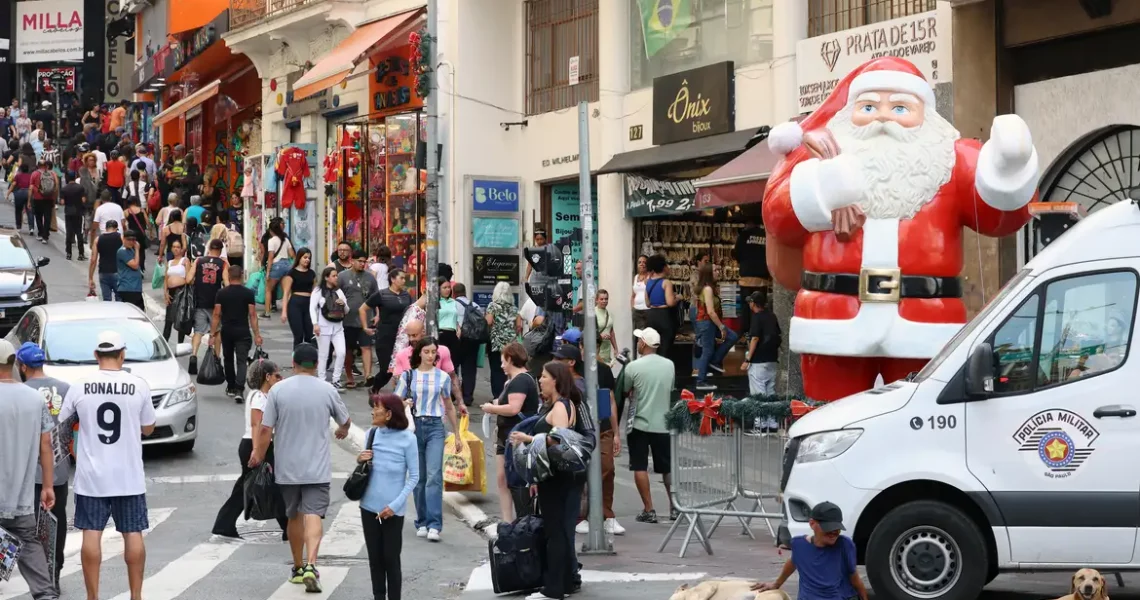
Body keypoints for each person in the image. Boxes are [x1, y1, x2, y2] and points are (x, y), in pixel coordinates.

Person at [57, 331, 156, 600]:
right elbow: (148, 428)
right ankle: (136, 595)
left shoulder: (80, 386)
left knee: (92, 534)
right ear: (122, 354)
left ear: (96, 355)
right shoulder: (138, 385)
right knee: (133, 533)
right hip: (129, 476)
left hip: (91, 477)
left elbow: (62, 422)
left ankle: (93, 596)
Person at [250, 342, 352, 593]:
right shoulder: (327, 390)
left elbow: (265, 429)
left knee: (293, 515)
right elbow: (346, 421)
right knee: (314, 514)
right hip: (316, 467)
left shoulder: (278, 391)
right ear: (317, 364)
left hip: (288, 467)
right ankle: (311, 565)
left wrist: (258, 455)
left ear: (293, 363)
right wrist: (342, 430)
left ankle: (297, 567)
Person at [508, 361, 587, 600]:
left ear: (556, 380)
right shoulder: (561, 404)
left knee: (556, 531)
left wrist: (528, 438)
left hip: (557, 477)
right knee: (559, 530)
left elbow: (559, 441)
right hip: (553, 476)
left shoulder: (562, 405)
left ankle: (554, 588)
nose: (540, 380)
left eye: (543, 376)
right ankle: (561, 583)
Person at [0, 340, 60, 600]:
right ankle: (46, 594)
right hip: (22, 499)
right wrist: (47, 486)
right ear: (15, 363)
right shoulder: (34, 399)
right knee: (28, 545)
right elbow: (46, 445)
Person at [394, 337, 464, 542]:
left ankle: (434, 524)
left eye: (434, 352)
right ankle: (422, 520)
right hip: (414, 426)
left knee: (434, 475)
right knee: (419, 477)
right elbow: (395, 399)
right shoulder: (409, 375)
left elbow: (448, 405)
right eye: (427, 351)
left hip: (435, 426)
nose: (431, 355)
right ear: (419, 353)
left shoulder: (443, 377)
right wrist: (405, 401)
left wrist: (457, 434)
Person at [212, 359, 289, 538]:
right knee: (270, 485)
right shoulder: (258, 397)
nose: (280, 378)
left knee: (251, 486)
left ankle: (224, 524)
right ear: (267, 377)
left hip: (259, 444)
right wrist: (257, 450)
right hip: (255, 444)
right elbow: (257, 425)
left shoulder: (265, 396)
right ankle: (288, 527)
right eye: (277, 375)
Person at [18, 342, 73, 588]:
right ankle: (55, 573)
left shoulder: (21, 392)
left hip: (27, 472)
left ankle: (33, 576)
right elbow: (74, 430)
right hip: (59, 471)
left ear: (22, 366)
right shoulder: (66, 389)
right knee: (55, 523)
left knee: (22, 525)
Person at [357, 393, 419, 600]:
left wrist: (395, 505)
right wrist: (360, 459)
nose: (373, 412)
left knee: (391, 559)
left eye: (377, 408)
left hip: (394, 509)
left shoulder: (408, 439)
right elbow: (365, 469)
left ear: (389, 414)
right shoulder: (371, 434)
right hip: (368, 506)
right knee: (375, 559)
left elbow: (414, 477)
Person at [751, 502, 867, 600]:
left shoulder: (845, 545)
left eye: (837, 528)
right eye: (828, 528)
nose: (833, 532)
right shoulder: (799, 544)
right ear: (812, 524)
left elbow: (855, 579)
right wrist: (776, 584)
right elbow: (792, 563)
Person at [621, 327, 677, 523]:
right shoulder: (669, 365)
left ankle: (649, 508)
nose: (637, 343)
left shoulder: (633, 367)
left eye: (639, 340)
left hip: (639, 423)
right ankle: (674, 507)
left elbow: (626, 389)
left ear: (643, 343)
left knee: (639, 465)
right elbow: (670, 388)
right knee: (667, 467)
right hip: (663, 422)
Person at [480, 342, 539, 522]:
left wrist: (491, 408)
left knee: (514, 479)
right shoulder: (513, 381)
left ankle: (520, 520)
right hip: (506, 434)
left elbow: (514, 408)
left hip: (515, 436)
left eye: (503, 361)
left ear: (511, 359)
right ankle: (507, 521)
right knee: (503, 478)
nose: (501, 365)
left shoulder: (521, 380)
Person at [212, 265, 263, 402]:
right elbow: (252, 315)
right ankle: (240, 389)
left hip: (227, 331)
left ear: (229, 276)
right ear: (241, 276)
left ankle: (231, 386)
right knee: (242, 361)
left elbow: (217, 314)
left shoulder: (221, 293)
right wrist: (257, 334)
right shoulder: (248, 293)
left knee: (228, 359)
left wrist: (212, 334)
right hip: (243, 332)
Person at [361, 268, 412, 392]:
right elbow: (363, 309)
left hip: (402, 336)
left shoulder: (406, 295)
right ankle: (375, 388)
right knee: (387, 369)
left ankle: (402, 394)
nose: (404, 280)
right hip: (385, 336)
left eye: (405, 278)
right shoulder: (382, 294)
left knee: (404, 367)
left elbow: (412, 311)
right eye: (401, 278)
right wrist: (365, 327)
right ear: (393, 279)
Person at [693, 262, 740, 391]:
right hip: (707, 322)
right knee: (707, 350)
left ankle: (714, 361)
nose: (718, 272)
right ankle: (701, 380)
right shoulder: (707, 289)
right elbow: (710, 311)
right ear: (709, 273)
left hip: (710, 322)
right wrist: (721, 326)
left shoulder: (711, 288)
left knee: (732, 336)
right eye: (715, 270)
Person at [187, 239, 229, 375]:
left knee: (198, 331)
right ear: (221, 250)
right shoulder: (222, 263)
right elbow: (227, 284)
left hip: (200, 301)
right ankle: (216, 359)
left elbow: (188, 279)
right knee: (217, 332)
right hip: (216, 303)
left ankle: (193, 355)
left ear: (209, 248)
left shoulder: (198, 261)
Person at [338, 250, 379, 388]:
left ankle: (368, 375)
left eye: (364, 262)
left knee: (366, 346)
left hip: (366, 319)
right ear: (352, 261)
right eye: (360, 261)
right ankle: (349, 376)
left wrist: (377, 314)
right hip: (347, 319)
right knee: (348, 349)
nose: (362, 264)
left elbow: (376, 297)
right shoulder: (342, 277)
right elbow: (335, 294)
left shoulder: (370, 278)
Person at [742, 290, 781, 430]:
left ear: (753, 303)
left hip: (759, 361)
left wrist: (747, 358)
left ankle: (761, 424)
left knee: (758, 393)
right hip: (772, 360)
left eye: (750, 302)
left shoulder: (757, 318)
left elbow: (755, 338)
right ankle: (772, 422)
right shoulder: (772, 316)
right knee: (770, 392)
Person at [310, 266, 349, 390]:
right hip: (323, 327)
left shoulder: (339, 291)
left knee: (341, 352)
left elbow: (347, 310)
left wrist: (344, 304)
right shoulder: (318, 291)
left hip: (338, 327)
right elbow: (312, 308)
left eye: (336, 275)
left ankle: (336, 379)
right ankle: (321, 379)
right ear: (326, 277)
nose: (336, 278)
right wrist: (315, 323)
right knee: (323, 354)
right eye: (333, 275)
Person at [487, 281, 519, 397]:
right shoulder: (514, 308)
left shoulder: (493, 306)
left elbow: (489, 321)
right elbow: (519, 326)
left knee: (496, 369)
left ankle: (497, 395)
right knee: (510, 368)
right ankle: (508, 393)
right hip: (511, 343)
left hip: (496, 342)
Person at [643, 254, 678, 362]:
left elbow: (647, 303)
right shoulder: (666, 283)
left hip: (651, 316)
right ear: (663, 268)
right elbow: (670, 302)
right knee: (665, 347)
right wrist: (678, 298)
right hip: (664, 316)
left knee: (652, 345)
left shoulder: (648, 282)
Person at [281, 248, 316, 347]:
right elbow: (286, 293)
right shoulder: (292, 273)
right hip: (295, 304)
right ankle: (296, 360)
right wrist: (284, 312)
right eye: (305, 257)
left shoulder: (311, 273)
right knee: (298, 335)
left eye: (309, 258)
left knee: (310, 335)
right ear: (299, 258)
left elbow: (315, 291)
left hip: (309, 304)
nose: (307, 260)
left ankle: (309, 360)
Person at [264, 219, 294, 317]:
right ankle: (289, 311)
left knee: (268, 289)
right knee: (287, 291)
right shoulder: (285, 240)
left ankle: (267, 312)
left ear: (272, 231)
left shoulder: (271, 241)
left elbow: (271, 257)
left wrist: (268, 272)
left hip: (276, 266)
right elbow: (292, 254)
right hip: (287, 265)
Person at [89, 219, 123, 301]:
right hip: (118, 272)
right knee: (120, 299)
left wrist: (90, 278)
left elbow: (93, 260)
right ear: (116, 228)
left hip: (103, 272)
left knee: (106, 300)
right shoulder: (121, 237)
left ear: (106, 228)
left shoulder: (98, 239)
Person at [162, 238, 190, 342]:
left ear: (181, 249)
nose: (176, 249)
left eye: (178, 247)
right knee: (168, 321)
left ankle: (180, 345)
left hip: (181, 292)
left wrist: (181, 282)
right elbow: (165, 279)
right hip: (171, 293)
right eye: (174, 247)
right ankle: (165, 343)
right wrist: (165, 293)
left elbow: (189, 278)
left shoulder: (185, 261)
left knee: (180, 320)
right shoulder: (169, 262)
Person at [29, 158, 58, 243]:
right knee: (47, 217)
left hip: (38, 198)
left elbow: (31, 188)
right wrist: (54, 199)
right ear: (46, 166)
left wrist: (29, 201)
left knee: (38, 217)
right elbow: (56, 186)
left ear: (37, 165)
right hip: (49, 198)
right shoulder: (52, 173)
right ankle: (45, 236)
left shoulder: (34, 174)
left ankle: (40, 233)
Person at [117, 230, 146, 310]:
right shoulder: (122, 251)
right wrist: (137, 249)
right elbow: (135, 265)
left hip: (135, 288)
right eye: (129, 239)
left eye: (133, 240)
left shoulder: (130, 250)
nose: (131, 242)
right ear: (124, 239)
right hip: (128, 288)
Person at [61, 174, 87, 260]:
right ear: (75, 177)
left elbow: (62, 202)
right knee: (79, 233)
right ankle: (81, 254)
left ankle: (69, 253)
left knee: (69, 233)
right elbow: (83, 200)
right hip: (78, 212)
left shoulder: (64, 189)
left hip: (68, 212)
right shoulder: (80, 188)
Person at [123, 198, 150, 273]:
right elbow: (147, 222)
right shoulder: (141, 210)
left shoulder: (126, 211)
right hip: (141, 233)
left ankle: (133, 266)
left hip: (131, 234)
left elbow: (123, 224)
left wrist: (125, 232)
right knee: (141, 251)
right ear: (135, 202)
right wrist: (150, 231)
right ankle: (141, 267)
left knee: (132, 250)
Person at [437, 279, 461, 358]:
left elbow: (456, 317)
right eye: (444, 288)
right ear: (438, 289)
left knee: (453, 362)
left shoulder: (454, 302)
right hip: (440, 333)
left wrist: (458, 327)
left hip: (453, 334)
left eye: (449, 287)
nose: (448, 289)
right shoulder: (435, 302)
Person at [7, 161, 32, 231]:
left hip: (19, 193)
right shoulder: (30, 176)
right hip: (28, 192)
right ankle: (31, 227)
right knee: (29, 210)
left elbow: (13, 184)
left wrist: (8, 193)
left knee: (18, 210)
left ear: (20, 169)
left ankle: (18, 227)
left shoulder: (18, 176)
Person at [595, 289, 615, 365]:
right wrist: (600, 336)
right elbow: (588, 332)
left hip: (607, 350)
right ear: (596, 300)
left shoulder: (608, 313)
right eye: (601, 299)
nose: (604, 301)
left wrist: (616, 349)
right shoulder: (593, 313)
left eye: (606, 299)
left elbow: (612, 332)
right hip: (597, 350)